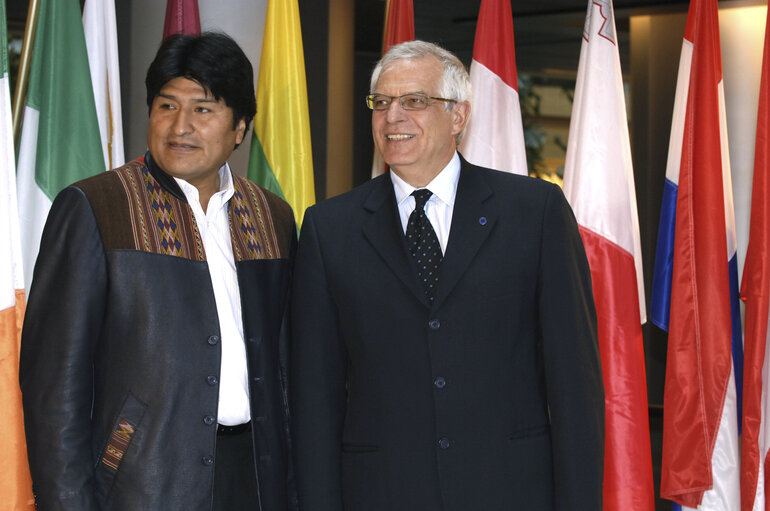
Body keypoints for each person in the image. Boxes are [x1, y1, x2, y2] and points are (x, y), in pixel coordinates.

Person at [290, 40, 604, 510]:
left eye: (414, 101)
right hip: (382, 492)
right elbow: (314, 396)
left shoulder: (533, 213)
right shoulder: (328, 227)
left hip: (510, 490)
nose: (392, 116)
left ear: (459, 116)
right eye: (381, 102)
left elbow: (575, 383)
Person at [20, 32, 297, 511]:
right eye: (166, 106)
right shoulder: (97, 207)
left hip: (254, 479)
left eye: (203, 109)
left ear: (241, 127)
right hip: (141, 482)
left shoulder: (271, 216)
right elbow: (53, 388)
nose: (179, 126)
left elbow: (289, 363)